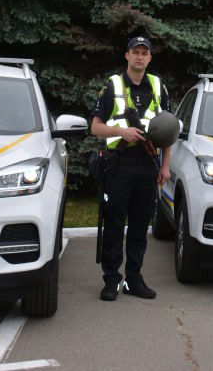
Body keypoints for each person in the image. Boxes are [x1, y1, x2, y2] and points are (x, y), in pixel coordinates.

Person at [90, 35, 171, 301]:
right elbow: (95, 127)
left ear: (149, 58)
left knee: (139, 227)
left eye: (144, 53)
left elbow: (168, 131)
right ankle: (111, 280)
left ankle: (134, 280)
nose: (139, 57)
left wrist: (165, 166)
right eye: (135, 52)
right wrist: (121, 131)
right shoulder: (112, 85)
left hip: (148, 166)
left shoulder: (159, 87)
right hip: (118, 165)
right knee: (114, 223)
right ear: (127, 55)